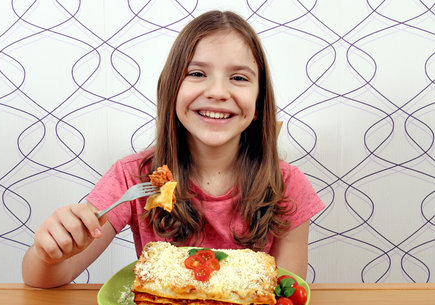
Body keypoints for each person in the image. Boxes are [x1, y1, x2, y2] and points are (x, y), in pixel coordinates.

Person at [22, 10, 324, 288]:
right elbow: (46, 278)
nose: (218, 92)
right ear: (171, 90)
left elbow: (286, 295)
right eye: (196, 73)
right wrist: (48, 253)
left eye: (239, 78)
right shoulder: (134, 178)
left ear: (259, 104)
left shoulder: (288, 186)